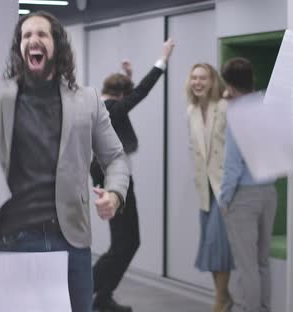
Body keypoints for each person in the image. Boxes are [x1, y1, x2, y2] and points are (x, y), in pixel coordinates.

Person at [0, 11, 130, 312]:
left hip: (71, 242)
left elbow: (115, 157)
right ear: (19, 48)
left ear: (57, 46)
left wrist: (115, 194)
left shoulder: (87, 101)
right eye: (26, 36)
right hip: (12, 241)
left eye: (41, 35)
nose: (33, 40)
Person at [90, 39, 175, 312]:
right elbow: (140, 93)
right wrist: (162, 59)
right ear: (122, 96)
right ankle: (87, 289)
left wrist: (127, 76)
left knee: (126, 242)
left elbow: (129, 97)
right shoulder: (111, 108)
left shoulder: (104, 106)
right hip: (116, 184)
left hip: (116, 181)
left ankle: (102, 295)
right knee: (125, 243)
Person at [219, 57, 277, 312]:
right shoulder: (269, 106)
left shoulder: (237, 114)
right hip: (269, 192)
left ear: (229, 85)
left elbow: (232, 165)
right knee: (262, 261)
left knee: (246, 265)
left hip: (244, 196)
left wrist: (224, 199)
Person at [185, 63, 233, 312]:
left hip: (224, 186)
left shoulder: (224, 107)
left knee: (217, 244)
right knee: (210, 245)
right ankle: (223, 297)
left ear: (213, 81)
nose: (198, 82)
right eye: (194, 78)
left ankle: (219, 301)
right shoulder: (191, 111)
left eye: (203, 77)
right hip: (205, 190)